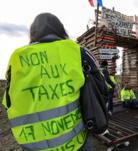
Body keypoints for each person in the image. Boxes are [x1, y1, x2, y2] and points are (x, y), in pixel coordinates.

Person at [2, 13, 92, 150]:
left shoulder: (17, 57)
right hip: (75, 142)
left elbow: (7, 102)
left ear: (33, 33)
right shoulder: (74, 50)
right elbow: (99, 88)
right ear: (61, 30)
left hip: (33, 145)